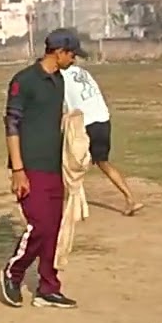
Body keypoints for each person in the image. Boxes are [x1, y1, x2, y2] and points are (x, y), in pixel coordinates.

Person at [0, 28, 87, 310]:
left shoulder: (59, 81)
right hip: (30, 166)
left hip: (53, 166)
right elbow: (11, 125)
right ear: (58, 52)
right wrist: (18, 169)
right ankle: (13, 272)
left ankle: (48, 287)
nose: (74, 60)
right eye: (72, 54)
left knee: (54, 229)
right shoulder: (24, 81)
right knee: (40, 225)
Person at [61, 60, 142, 216]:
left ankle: (73, 203)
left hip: (87, 121)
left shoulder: (60, 76)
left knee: (71, 160)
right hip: (103, 118)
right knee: (102, 162)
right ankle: (129, 198)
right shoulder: (82, 72)